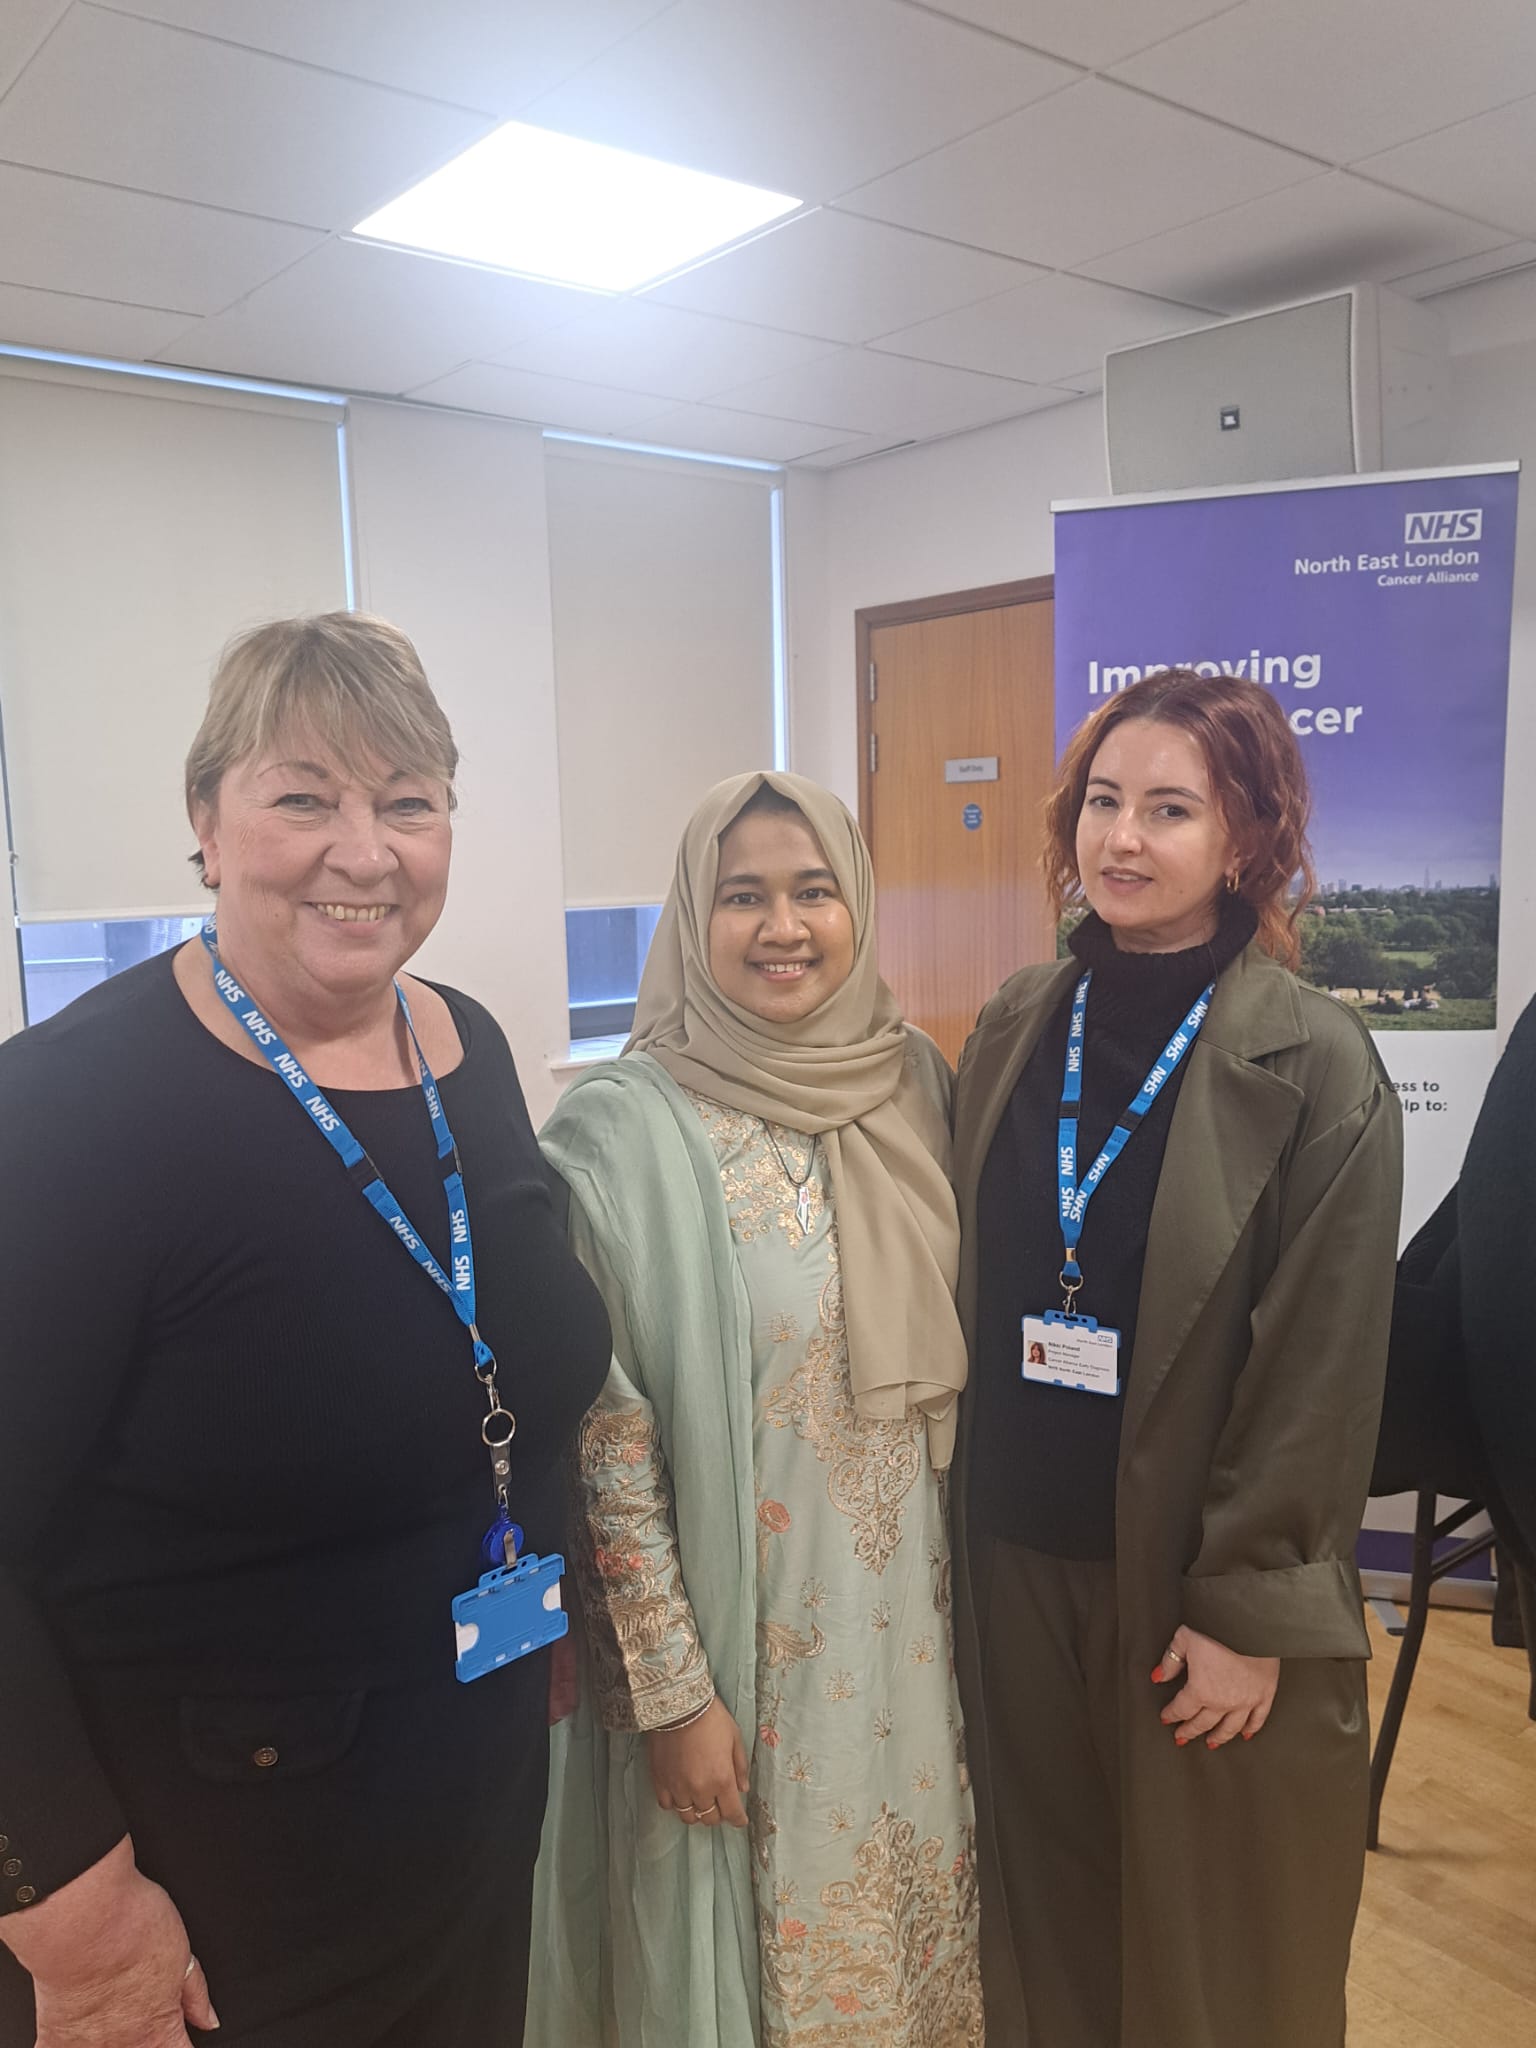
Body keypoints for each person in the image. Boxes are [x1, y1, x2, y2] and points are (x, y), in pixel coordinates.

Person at [0, 613, 611, 2048]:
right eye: (303, 798)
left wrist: (550, 1585)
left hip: (458, 1804)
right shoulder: (73, 1113)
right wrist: (75, 1920)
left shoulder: (464, 1048)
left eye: (409, 802)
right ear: (206, 827)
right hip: (205, 1881)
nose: (365, 849)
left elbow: (503, 1357)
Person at [953, 670, 1402, 2048]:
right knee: (1047, 1911)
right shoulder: (1019, 1021)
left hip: (1186, 1591)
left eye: (1170, 809)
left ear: (1250, 841)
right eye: (1103, 802)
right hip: (1013, 1560)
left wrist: (1249, 1611)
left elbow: (1319, 1368)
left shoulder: (1319, 1065)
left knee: (1213, 1942)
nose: (1123, 841)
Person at [529, 772, 984, 2048]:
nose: (783, 926)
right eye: (743, 896)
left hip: (914, 1643)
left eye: (812, 890)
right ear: (692, 915)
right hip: (748, 1649)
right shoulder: (619, 1129)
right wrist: (676, 1698)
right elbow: (604, 1444)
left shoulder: (914, 1081)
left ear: (858, 906)